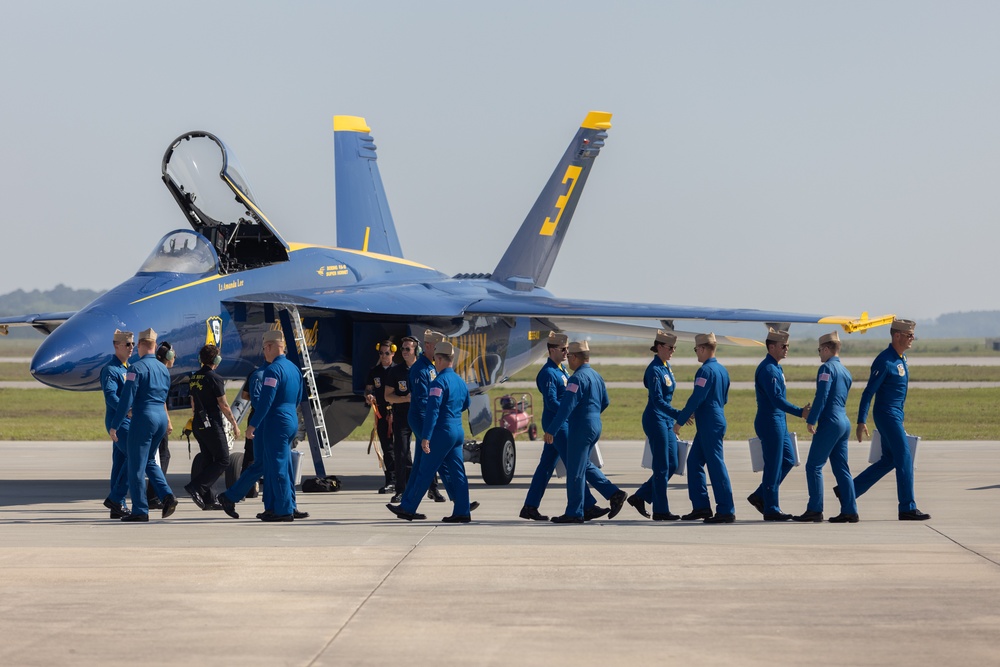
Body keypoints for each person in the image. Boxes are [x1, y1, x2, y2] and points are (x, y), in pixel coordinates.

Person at [520, 333, 609, 522]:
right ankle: (588, 505)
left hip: (561, 424)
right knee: (575, 464)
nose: (566, 353)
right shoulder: (548, 373)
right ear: (552, 350)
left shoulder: (563, 371)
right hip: (558, 425)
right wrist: (570, 412)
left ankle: (530, 506)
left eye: (568, 350)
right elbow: (552, 401)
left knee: (546, 466)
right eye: (563, 350)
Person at [851, 319, 930, 520]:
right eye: (909, 335)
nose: (912, 339)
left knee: (890, 459)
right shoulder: (885, 361)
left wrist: (900, 420)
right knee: (904, 457)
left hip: (895, 416)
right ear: (897, 336)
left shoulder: (901, 359)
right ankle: (907, 507)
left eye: (913, 335)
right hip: (886, 415)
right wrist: (861, 421)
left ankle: (848, 491)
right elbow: (868, 392)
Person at [543, 341, 627, 524]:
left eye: (569, 358)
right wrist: (592, 416)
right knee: (582, 466)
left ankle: (574, 512)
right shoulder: (596, 375)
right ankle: (611, 494)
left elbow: (565, 408)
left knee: (575, 471)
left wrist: (551, 430)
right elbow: (605, 402)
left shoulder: (576, 379)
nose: (568, 362)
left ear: (574, 357)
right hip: (595, 425)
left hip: (580, 427)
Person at [387, 340, 471, 522]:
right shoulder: (460, 381)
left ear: (439, 359)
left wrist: (426, 437)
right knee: (458, 472)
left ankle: (408, 508)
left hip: (442, 431)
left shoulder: (438, 383)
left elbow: (432, 412)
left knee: (425, 470)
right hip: (458, 430)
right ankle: (463, 511)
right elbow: (466, 404)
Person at [109, 328, 177, 521]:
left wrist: (115, 424)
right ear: (155, 346)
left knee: (135, 467)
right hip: (161, 419)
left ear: (139, 345)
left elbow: (126, 399)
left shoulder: (135, 369)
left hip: (144, 418)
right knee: (148, 461)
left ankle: (140, 510)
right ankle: (167, 496)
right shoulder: (163, 368)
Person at [671, 333, 735, 524]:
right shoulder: (722, 370)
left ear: (704, 349)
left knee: (716, 465)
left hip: (710, 423)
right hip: (714, 418)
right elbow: (724, 398)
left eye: (696, 349)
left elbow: (696, 398)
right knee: (694, 462)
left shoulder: (705, 371)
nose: (696, 353)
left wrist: (679, 421)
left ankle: (726, 510)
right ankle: (701, 507)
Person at [746, 328, 810, 521]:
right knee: (773, 466)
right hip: (770, 421)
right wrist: (800, 412)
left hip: (779, 421)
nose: (786, 349)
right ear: (771, 346)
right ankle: (771, 508)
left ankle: (761, 495)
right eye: (783, 346)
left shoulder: (775, 367)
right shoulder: (768, 369)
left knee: (789, 460)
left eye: (788, 345)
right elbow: (776, 399)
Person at [794, 331, 857, 523]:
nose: (819, 353)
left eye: (820, 350)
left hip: (830, 422)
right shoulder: (846, 371)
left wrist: (811, 419)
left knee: (813, 466)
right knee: (841, 469)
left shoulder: (826, 369)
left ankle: (815, 508)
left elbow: (822, 396)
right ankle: (850, 510)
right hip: (844, 422)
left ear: (827, 349)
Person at [245, 330, 304, 522]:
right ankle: (288, 505)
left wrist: (253, 424)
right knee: (286, 466)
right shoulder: (294, 368)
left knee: (277, 467)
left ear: (270, 346)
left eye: (264, 348)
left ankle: (284, 510)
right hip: (291, 418)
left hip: (276, 421)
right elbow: (299, 396)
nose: (264, 353)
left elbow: (265, 401)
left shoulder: (272, 370)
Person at [629, 330, 681, 521]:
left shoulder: (666, 366)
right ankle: (661, 510)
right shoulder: (654, 370)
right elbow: (657, 400)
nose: (673, 351)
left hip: (666, 420)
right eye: (670, 348)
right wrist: (678, 414)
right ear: (659, 347)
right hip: (655, 419)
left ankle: (641, 496)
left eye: (674, 348)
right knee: (661, 466)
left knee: (673, 464)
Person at [184, 344, 240, 510]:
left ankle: (209, 499)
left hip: (198, 423)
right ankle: (196, 487)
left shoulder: (194, 377)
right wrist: (234, 424)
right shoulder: (215, 378)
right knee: (223, 459)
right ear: (216, 359)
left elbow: (193, 403)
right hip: (212, 424)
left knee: (208, 460)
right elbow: (223, 404)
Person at [407, 329, 447, 503]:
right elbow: (423, 401)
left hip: (428, 418)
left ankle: (407, 502)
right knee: (436, 458)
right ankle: (459, 500)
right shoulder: (420, 370)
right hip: (421, 418)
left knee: (421, 463)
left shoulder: (431, 366)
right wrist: (430, 426)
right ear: (428, 346)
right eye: (437, 347)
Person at [100, 330, 133, 519]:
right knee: (135, 456)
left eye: (133, 344)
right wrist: (127, 410)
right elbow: (111, 396)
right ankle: (116, 499)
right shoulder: (111, 370)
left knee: (120, 461)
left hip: (127, 420)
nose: (131, 348)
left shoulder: (128, 368)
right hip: (118, 421)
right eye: (127, 344)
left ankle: (117, 505)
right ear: (116, 345)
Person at [384, 336, 418, 503]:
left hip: (421, 416)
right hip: (402, 416)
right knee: (401, 452)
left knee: (427, 451)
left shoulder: (423, 369)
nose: (404, 352)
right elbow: (387, 396)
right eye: (403, 349)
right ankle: (400, 490)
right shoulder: (395, 371)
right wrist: (405, 399)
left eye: (408, 349)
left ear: (415, 351)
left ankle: (433, 488)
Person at [146, 340, 176, 509]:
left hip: (148, 416)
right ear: (169, 356)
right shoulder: (163, 372)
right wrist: (168, 421)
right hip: (158, 417)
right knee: (163, 456)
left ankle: (151, 495)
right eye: (173, 355)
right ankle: (154, 495)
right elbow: (162, 399)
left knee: (149, 457)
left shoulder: (152, 369)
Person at [365, 340, 397, 494]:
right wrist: (369, 396)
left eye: (387, 353)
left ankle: (405, 479)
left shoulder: (399, 370)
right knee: (387, 448)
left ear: (393, 353)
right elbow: (368, 389)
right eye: (381, 353)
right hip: (382, 413)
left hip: (398, 412)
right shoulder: (375, 372)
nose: (384, 356)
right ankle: (390, 480)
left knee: (402, 448)